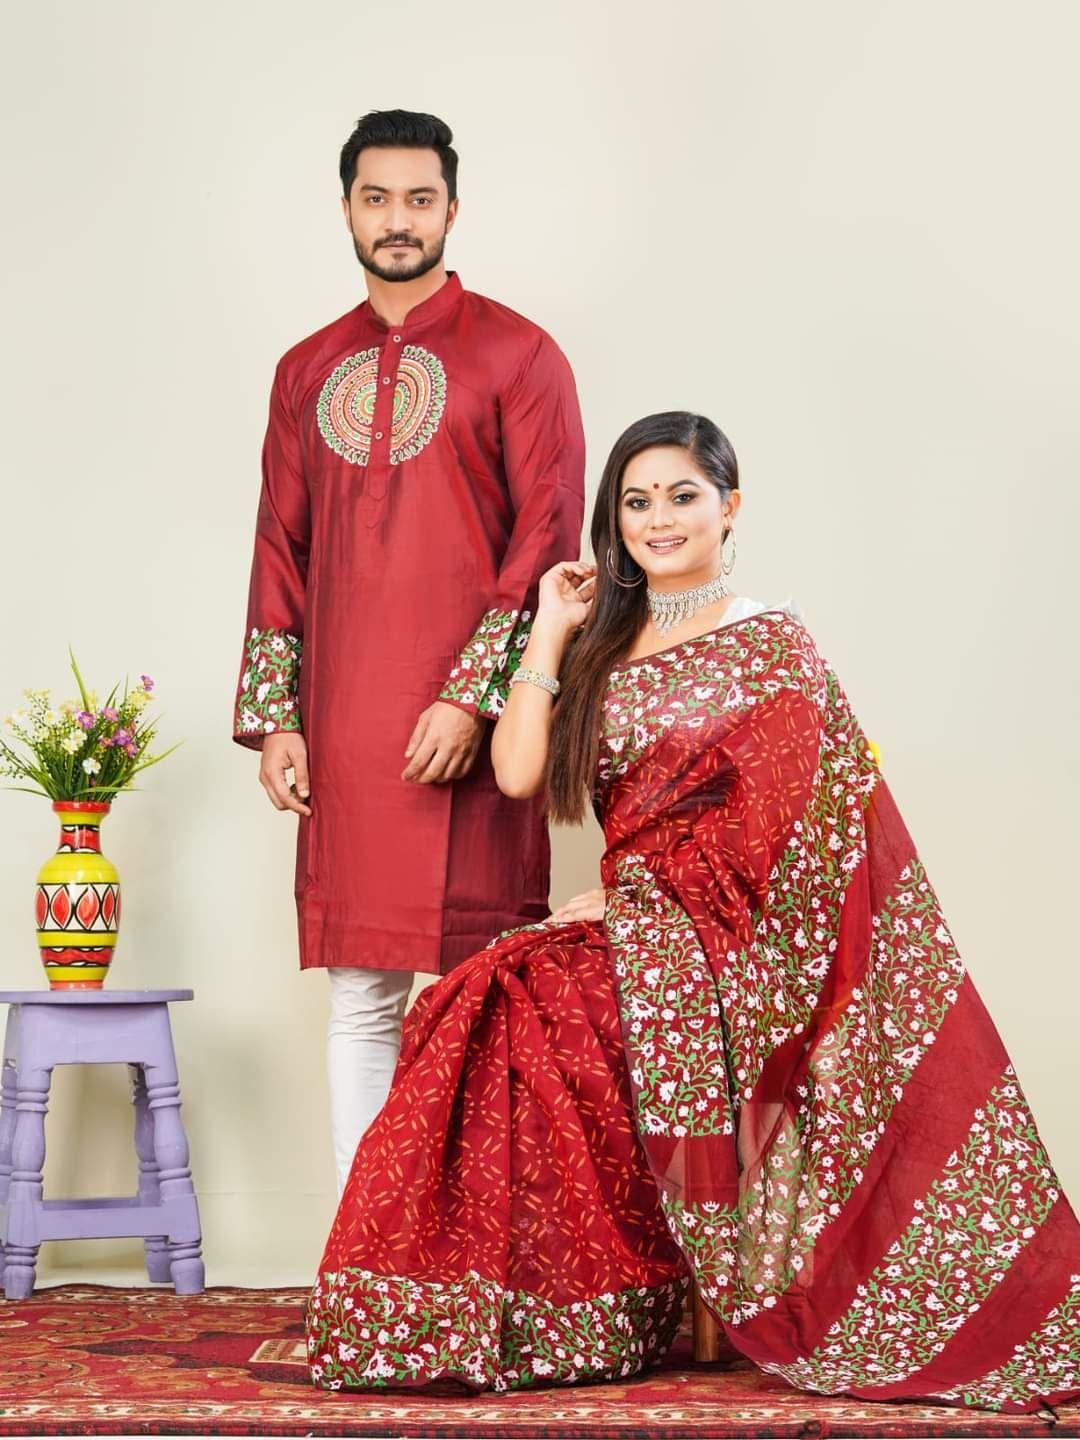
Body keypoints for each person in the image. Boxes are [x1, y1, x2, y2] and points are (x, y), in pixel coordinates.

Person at [306, 411, 1080, 1412]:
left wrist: (653, 906)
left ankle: (581, 1305)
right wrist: (550, 629)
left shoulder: (771, 644)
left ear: (730, 507)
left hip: (739, 943)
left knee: (541, 1006)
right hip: (636, 925)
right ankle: (508, 1307)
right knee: (480, 997)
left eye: (682, 496)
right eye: (636, 502)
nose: (659, 520)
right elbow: (518, 772)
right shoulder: (601, 642)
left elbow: (793, 835)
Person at [232, 109, 585, 1194]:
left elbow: (546, 536)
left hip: (479, 725)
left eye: (419, 199)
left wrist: (473, 699)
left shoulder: (519, 354)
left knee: (482, 987)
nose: (398, 220)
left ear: (452, 210)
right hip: (347, 721)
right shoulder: (305, 369)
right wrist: (279, 718)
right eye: (376, 198)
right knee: (361, 994)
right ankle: (362, 1246)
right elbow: (280, 544)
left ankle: (467, 1246)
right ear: (346, 208)